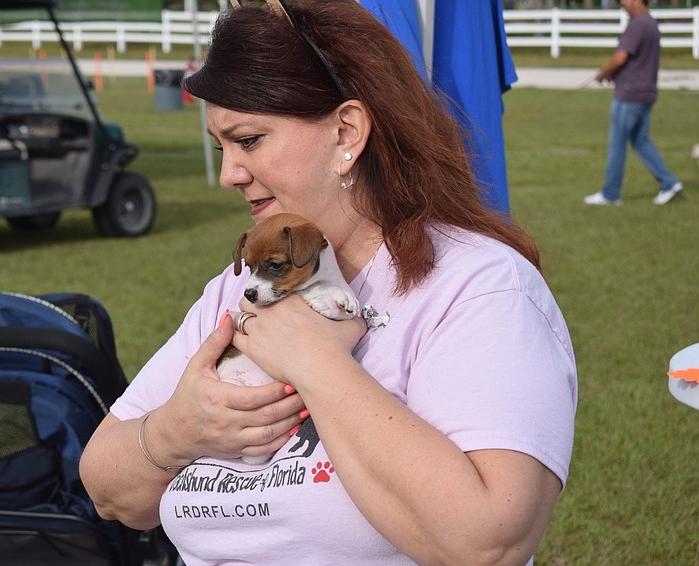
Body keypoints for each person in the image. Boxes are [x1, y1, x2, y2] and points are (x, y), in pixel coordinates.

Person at [79, 1, 577, 564]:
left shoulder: (480, 289)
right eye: (222, 146)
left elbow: (490, 544)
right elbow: (105, 488)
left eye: (248, 140)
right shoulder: (238, 286)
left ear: (347, 131)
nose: (227, 174)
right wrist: (180, 430)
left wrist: (317, 364)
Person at [584, 0, 683, 206]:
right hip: (646, 92)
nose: (622, 2)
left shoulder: (637, 24)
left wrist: (605, 72)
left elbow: (621, 58)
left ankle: (611, 194)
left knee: (617, 144)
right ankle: (669, 182)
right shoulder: (651, 23)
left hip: (629, 95)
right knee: (640, 141)